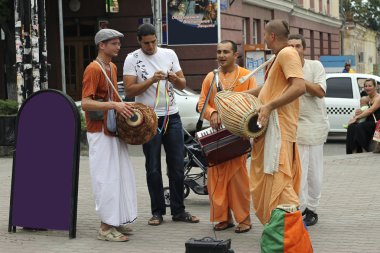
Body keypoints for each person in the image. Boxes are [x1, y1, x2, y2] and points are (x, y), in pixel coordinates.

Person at [123, 23, 199, 226]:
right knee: (153, 167)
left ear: (157, 39)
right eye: (146, 43)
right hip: (149, 120)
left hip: (172, 116)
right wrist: (150, 81)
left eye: (153, 42)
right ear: (139, 42)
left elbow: (183, 83)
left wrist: (175, 78)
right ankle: (157, 212)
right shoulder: (132, 58)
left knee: (176, 166)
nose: (150, 46)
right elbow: (129, 91)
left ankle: (178, 210)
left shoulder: (169, 54)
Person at [246, 20, 306, 225]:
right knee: (273, 177)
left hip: (279, 128)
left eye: (264, 34)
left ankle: (290, 233)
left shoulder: (288, 54)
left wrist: (270, 106)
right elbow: (267, 89)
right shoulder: (278, 57)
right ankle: (280, 230)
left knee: (281, 180)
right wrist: (239, 96)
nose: (262, 38)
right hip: (270, 128)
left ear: (272, 36)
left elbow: (299, 87)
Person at [81, 29, 137, 242]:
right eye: (113, 43)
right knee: (105, 179)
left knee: (119, 176)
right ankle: (105, 228)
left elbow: (112, 96)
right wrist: (114, 104)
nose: (118, 46)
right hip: (99, 131)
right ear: (101, 45)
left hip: (112, 129)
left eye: (118, 43)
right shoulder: (93, 69)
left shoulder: (112, 67)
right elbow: (86, 102)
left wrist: (120, 104)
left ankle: (115, 220)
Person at [198, 40, 256, 233]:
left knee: (238, 179)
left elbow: (253, 101)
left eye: (226, 52)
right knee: (216, 177)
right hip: (216, 136)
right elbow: (202, 104)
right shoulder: (210, 77)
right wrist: (212, 113)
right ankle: (223, 218)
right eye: (219, 52)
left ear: (235, 55)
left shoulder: (247, 76)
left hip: (238, 134)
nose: (221, 55)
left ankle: (244, 219)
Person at [288, 34, 329, 226]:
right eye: (291, 46)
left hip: (313, 125)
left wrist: (298, 81)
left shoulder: (315, 66)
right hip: (292, 126)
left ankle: (312, 209)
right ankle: (299, 207)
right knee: (297, 172)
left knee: (313, 171)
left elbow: (320, 92)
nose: (295, 49)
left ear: (304, 48)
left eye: (298, 46)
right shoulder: (283, 67)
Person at [346, 78, 380, 154]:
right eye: (365, 86)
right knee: (351, 126)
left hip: (376, 122)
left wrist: (357, 117)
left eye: (370, 86)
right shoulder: (365, 99)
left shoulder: (378, 98)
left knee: (360, 127)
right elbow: (364, 110)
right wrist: (358, 113)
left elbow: (371, 110)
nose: (367, 88)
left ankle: (364, 148)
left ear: (375, 87)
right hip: (367, 121)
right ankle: (353, 150)